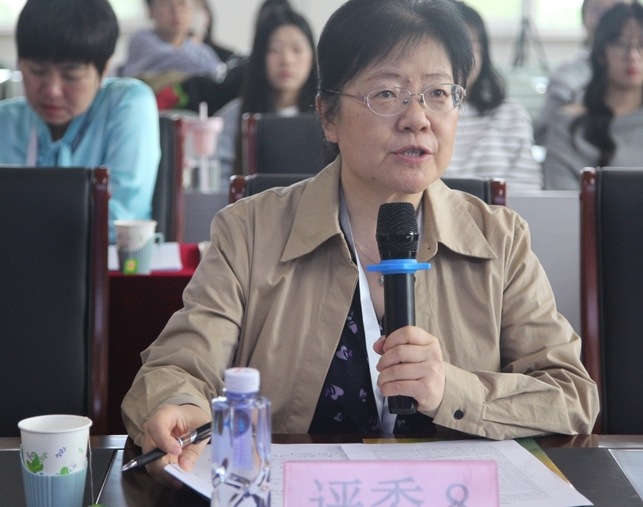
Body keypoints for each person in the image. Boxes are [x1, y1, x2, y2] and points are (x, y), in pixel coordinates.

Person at [122, 0, 598, 486]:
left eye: (438, 93)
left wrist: (453, 391)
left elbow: (571, 396)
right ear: (327, 115)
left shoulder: (500, 239)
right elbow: (179, 366)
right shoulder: (249, 231)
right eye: (387, 94)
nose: (418, 118)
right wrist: (178, 404)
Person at [0, 0, 160, 242]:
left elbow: (120, 219)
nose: (52, 90)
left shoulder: (128, 105)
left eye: (71, 75)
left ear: (103, 70)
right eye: (37, 71)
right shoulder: (6, 122)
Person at [543, 2, 643, 190]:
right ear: (601, 53)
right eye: (620, 43)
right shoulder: (569, 127)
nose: (632, 55)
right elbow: (561, 201)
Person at [214, 1, 318, 180]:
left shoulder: (328, 117)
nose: (287, 60)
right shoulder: (232, 119)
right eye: (275, 50)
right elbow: (220, 184)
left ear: (313, 57)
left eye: (297, 49)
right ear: (259, 57)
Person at [445, 2, 541, 192]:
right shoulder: (417, 114)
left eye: (471, 47)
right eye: (449, 47)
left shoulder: (510, 114)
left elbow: (528, 193)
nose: (461, 58)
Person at [121, 0, 223, 79]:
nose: (176, 10)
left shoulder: (204, 52)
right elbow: (167, 60)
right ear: (151, 10)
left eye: (182, 3)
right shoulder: (140, 40)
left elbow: (221, 76)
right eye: (167, 3)